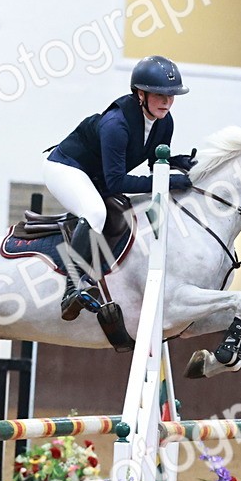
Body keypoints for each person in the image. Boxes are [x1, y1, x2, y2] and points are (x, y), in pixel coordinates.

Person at [44, 55, 197, 320]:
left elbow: (153, 164)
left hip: (98, 176)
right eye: (160, 94)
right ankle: (73, 287)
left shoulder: (164, 121)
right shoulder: (116, 124)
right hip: (66, 168)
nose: (167, 101)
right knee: (95, 212)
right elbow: (117, 182)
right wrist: (168, 182)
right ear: (140, 94)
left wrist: (175, 163)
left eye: (172, 95)